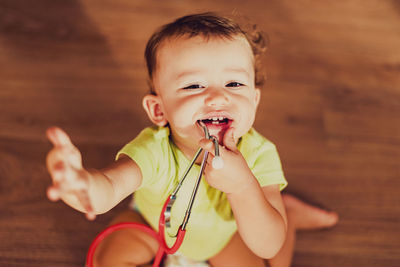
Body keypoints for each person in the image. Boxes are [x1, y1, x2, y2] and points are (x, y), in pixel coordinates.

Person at [45, 13, 338, 267]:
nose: (217, 96)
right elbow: (107, 187)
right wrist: (79, 184)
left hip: (223, 236)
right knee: (106, 259)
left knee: (272, 255)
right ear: (159, 110)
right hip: (150, 225)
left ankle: (288, 214)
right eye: (194, 85)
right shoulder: (155, 149)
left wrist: (242, 187)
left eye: (234, 84)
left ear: (254, 99)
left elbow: (268, 243)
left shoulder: (259, 154)